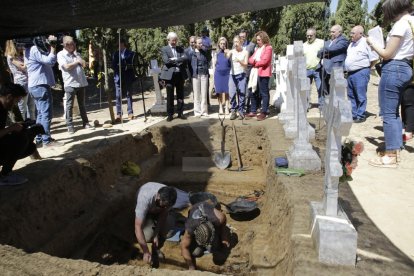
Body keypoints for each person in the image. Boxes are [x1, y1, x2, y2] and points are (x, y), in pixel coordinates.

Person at [367, 0, 414, 168]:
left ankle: (390, 156)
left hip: (394, 67)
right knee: (393, 113)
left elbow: (387, 54)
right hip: (406, 66)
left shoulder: (401, 24)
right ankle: (394, 149)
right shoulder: (412, 21)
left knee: (388, 113)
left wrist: (372, 43)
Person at [25, 35, 64, 147]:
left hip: (35, 85)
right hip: (40, 85)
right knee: (46, 114)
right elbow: (50, 60)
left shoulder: (28, 50)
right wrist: (52, 46)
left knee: (41, 114)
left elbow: (50, 63)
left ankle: (39, 138)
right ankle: (46, 140)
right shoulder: (33, 49)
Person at [0, 83, 40, 186]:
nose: (15, 104)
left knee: (29, 145)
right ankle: (5, 176)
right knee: (20, 139)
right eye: (16, 101)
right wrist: (11, 128)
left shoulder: (3, 109)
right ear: (9, 97)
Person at [134, 182, 177, 267]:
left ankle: (155, 249)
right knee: (147, 237)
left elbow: (163, 214)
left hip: (156, 210)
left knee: (169, 232)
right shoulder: (144, 199)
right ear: (157, 196)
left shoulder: (169, 197)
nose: (165, 207)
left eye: (166, 206)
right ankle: (150, 251)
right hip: (147, 211)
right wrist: (145, 251)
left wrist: (156, 234)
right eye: (162, 205)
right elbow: (138, 227)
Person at [57, 36, 94, 134]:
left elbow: (84, 64)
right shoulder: (61, 55)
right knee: (69, 105)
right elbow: (66, 67)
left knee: (82, 104)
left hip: (81, 83)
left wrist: (79, 60)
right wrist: (77, 62)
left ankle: (86, 123)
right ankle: (70, 125)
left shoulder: (76, 54)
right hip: (70, 83)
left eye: (74, 44)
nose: (74, 46)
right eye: (72, 44)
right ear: (66, 45)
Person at [180, 200, 230, 270]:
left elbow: (223, 230)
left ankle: (213, 243)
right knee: (196, 253)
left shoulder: (219, 218)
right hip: (195, 211)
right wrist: (191, 266)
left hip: (208, 209)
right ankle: (201, 246)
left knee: (214, 247)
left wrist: (224, 241)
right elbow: (184, 247)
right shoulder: (190, 228)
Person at [344, 26, 377, 123]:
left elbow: (374, 59)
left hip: (361, 72)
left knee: (360, 95)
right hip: (350, 73)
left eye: (353, 33)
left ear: (360, 34)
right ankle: (353, 114)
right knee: (351, 95)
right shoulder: (351, 44)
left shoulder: (366, 43)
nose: (351, 35)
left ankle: (360, 115)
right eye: (351, 33)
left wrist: (366, 68)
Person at [160, 32, 189, 122]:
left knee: (180, 95)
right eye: (173, 40)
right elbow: (166, 61)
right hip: (169, 76)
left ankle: (180, 112)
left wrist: (174, 59)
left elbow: (185, 58)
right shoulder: (164, 49)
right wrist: (178, 61)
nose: (174, 42)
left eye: (176, 40)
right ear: (168, 40)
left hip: (180, 74)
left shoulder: (180, 48)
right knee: (170, 96)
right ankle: (170, 114)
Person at [4, 40, 36, 120]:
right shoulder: (11, 56)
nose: (21, 46)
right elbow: (23, 67)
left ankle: (32, 124)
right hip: (21, 83)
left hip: (30, 81)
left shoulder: (20, 55)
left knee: (31, 107)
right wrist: (26, 54)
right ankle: (23, 126)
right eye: (18, 44)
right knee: (23, 108)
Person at [247, 31, 273, 121]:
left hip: (263, 73)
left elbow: (264, 61)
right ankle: (253, 110)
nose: (257, 41)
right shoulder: (257, 49)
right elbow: (250, 59)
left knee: (264, 93)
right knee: (252, 91)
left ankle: (264, 112)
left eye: (259, 40)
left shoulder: (268, 48)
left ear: (263, 39)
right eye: (257, 40)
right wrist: (255, 61)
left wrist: (255, 62)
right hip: (255, 73)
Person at [317, 25, 348, 100]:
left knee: (336, 91)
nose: (331, 33)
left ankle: (336, 109)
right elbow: (318, 53)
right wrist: (325, 51)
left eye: (333, 32)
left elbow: (333, 49)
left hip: (335, 68)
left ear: (339, 32)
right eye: (330, 32)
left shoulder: (343, 40)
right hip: (324, 69)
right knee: (325, 91)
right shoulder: (328, 42)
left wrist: (325, 51)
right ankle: (327, 108)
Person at [112, 38, 136, 123]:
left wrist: (123, 65)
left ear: (123, 44)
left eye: (119, 45)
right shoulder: (115, 54)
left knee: (129, 94)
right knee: (118, 96)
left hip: (128, 76)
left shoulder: (131, 53)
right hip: (118, 77)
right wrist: (118, 66)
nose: (118, 47)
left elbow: (131, 64)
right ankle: (119, 114)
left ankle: (130, 112)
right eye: (117, 46)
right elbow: (113, 65)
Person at [226, 35, 248, 120]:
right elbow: (227, 56)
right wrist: (226, 52)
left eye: (237, 42)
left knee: (242, 93)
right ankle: (233, 111)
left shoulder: (245, 52)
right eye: (234, 42)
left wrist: (239, 61)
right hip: (232, 75)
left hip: (242, 74)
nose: (235, 44)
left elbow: (246, 65)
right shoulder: (232, 51)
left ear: (241, 42)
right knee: (232, 93)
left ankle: (241, 111)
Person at [303, 28, 324, 108]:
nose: (309, 37)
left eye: (311, 35)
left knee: (320, 88)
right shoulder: (303, 45)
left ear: (315, 35)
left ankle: (322, 106)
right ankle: (306, 105)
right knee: (306, 89)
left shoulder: (321, 42)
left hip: (318, 69)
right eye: (307, 35)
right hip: (306, 70)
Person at [191, 37, 211, 117]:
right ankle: (197, 112)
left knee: (204, 94)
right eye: (199, 43)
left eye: (201, 43)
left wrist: (206, 48)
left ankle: (204, 111)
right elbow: (189, 64)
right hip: (196, 75)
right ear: (195, 44)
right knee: (196, 94)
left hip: (204, 74)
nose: (201, 44)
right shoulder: (191, 53)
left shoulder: (205, 52)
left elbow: (209, 60)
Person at [239, 30, 256, 113]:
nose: (242, 38)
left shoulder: (251, 45)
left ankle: (246, 107)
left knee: (247, 90)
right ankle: (240, 107)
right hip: (238, 71)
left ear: (246, 36)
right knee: (239, 90)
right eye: (240, 36)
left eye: (243, 36)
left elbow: (254, 57)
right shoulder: (236, 45)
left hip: (248, 71)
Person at [213, 37, 231, 115]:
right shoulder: (216, 53)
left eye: (224, 43)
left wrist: (228, 54)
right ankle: (220, 107)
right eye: (221, 43)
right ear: (219, 44)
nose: (223, 45)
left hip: (227, 74)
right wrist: (214, 76)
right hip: (218, 74)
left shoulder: (229, 52)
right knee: (219, 92)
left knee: (227, 92)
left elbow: (231, 63)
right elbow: (214, 65)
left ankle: (226, 107)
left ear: (226, 44)